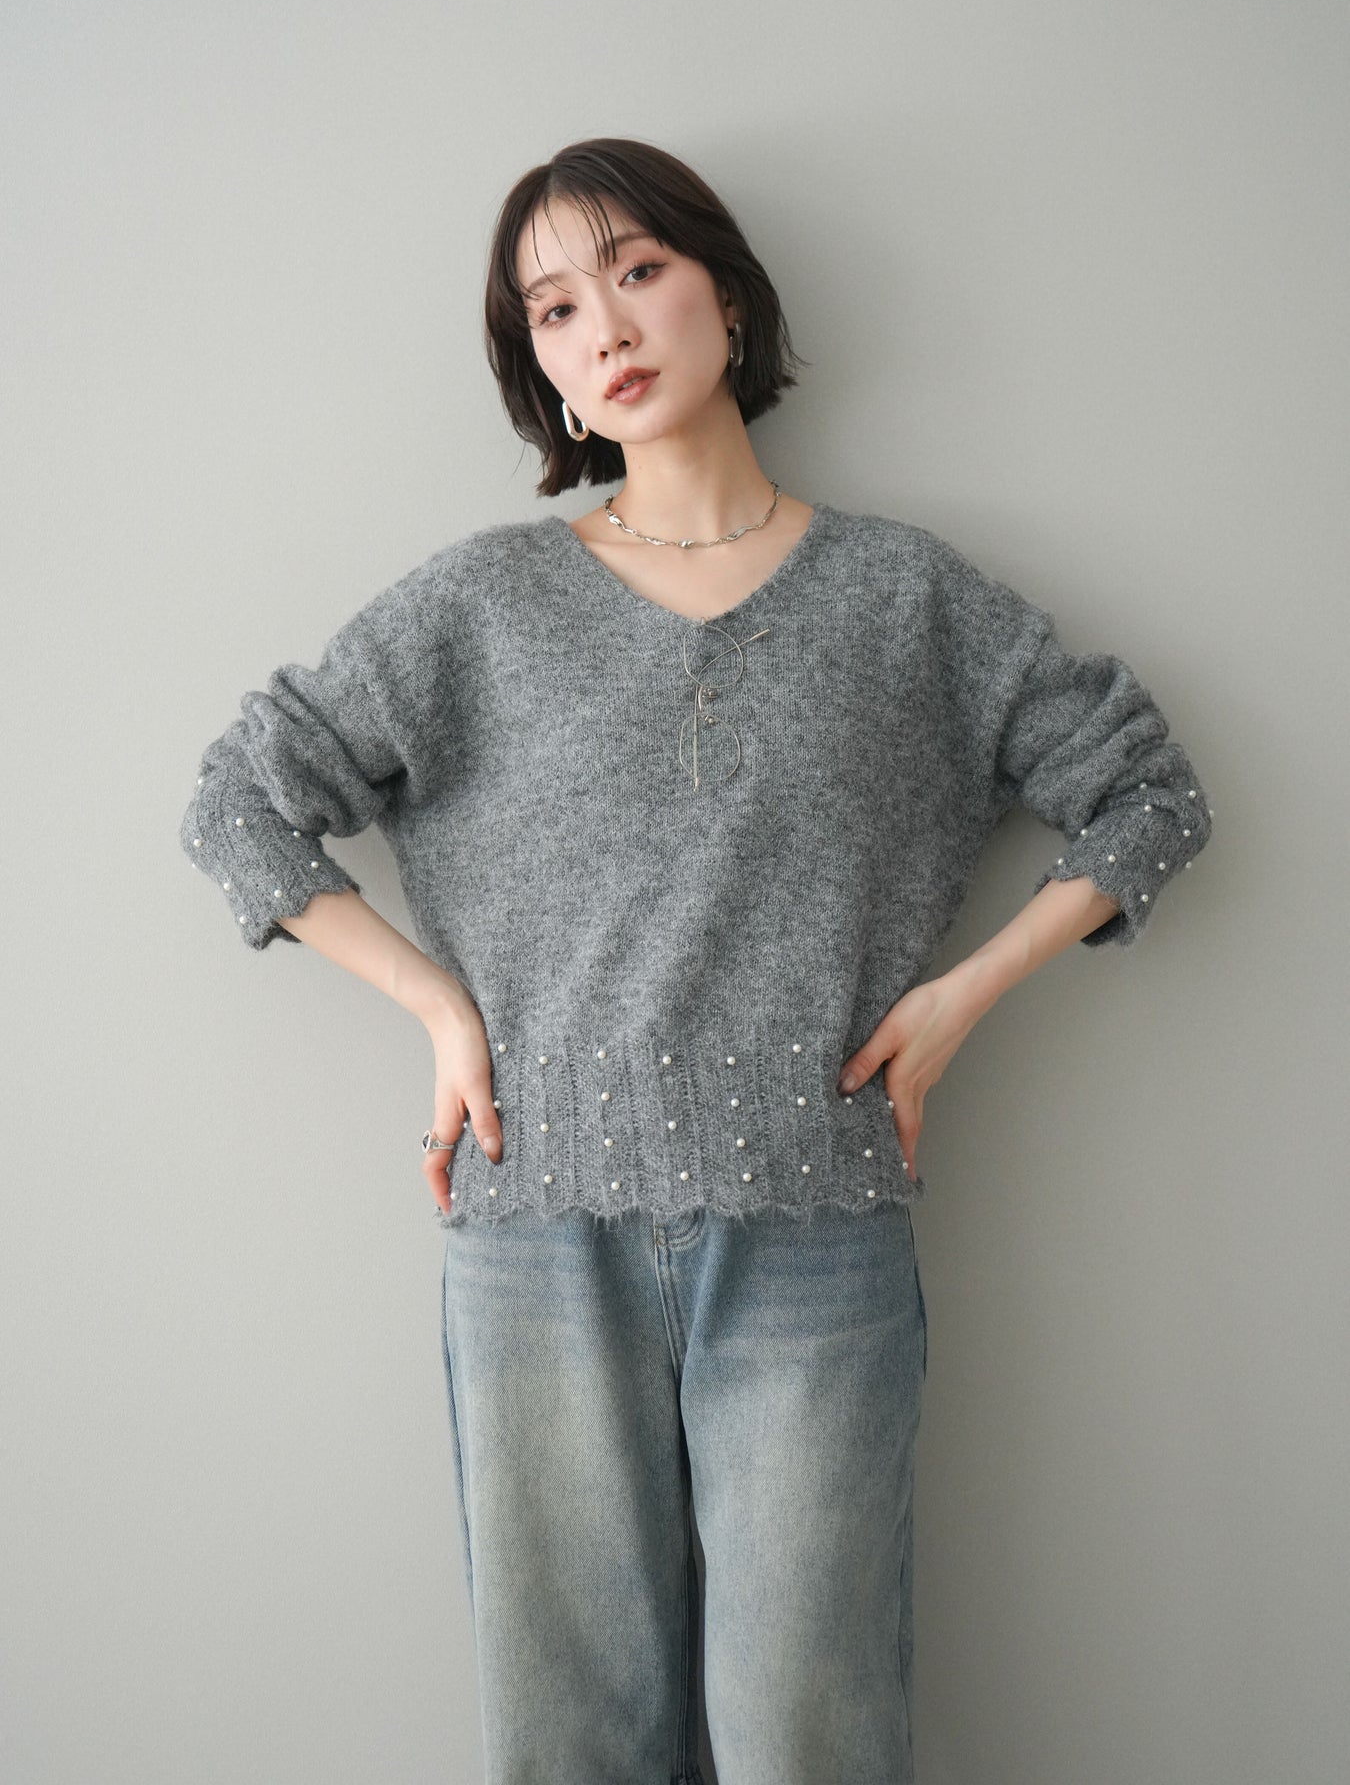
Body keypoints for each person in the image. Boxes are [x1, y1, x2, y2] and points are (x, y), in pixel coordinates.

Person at [179, 136, 1212, 1785]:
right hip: (536, 1234)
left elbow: (1147, 799)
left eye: (637, 270)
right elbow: (239, 806)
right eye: (552, 308)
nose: (603, 325)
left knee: (809, 1735)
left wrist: (957, 1002)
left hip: (814, 1232)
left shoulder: (904, 600)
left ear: (726, 295)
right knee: (568, 1741)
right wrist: (436, 1004)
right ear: (540, 368)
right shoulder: (477, 608)